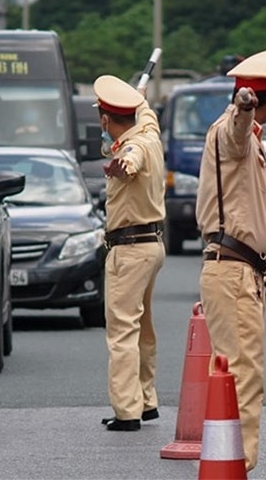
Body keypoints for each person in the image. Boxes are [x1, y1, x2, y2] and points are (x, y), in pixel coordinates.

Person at [195, 49, 266, 471]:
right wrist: (244, 106)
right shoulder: (234, 127)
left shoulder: (248, 144)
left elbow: (238, 161)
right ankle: (235, 465)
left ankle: (227, 461)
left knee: (231, 371)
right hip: (234, 271)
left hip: (238, 272)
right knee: (243, 374)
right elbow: (236, 133)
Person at [94, 74, 166, 432]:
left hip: (130, 248)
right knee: (143, 329)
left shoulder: (132, 147)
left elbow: (130, 160)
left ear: (106, 120)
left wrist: (123, 165)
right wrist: (139, 98)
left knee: (122, 331)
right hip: (152, 245)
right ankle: (146, 399)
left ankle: (127, 411)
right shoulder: (149, 133)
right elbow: (147, 114)